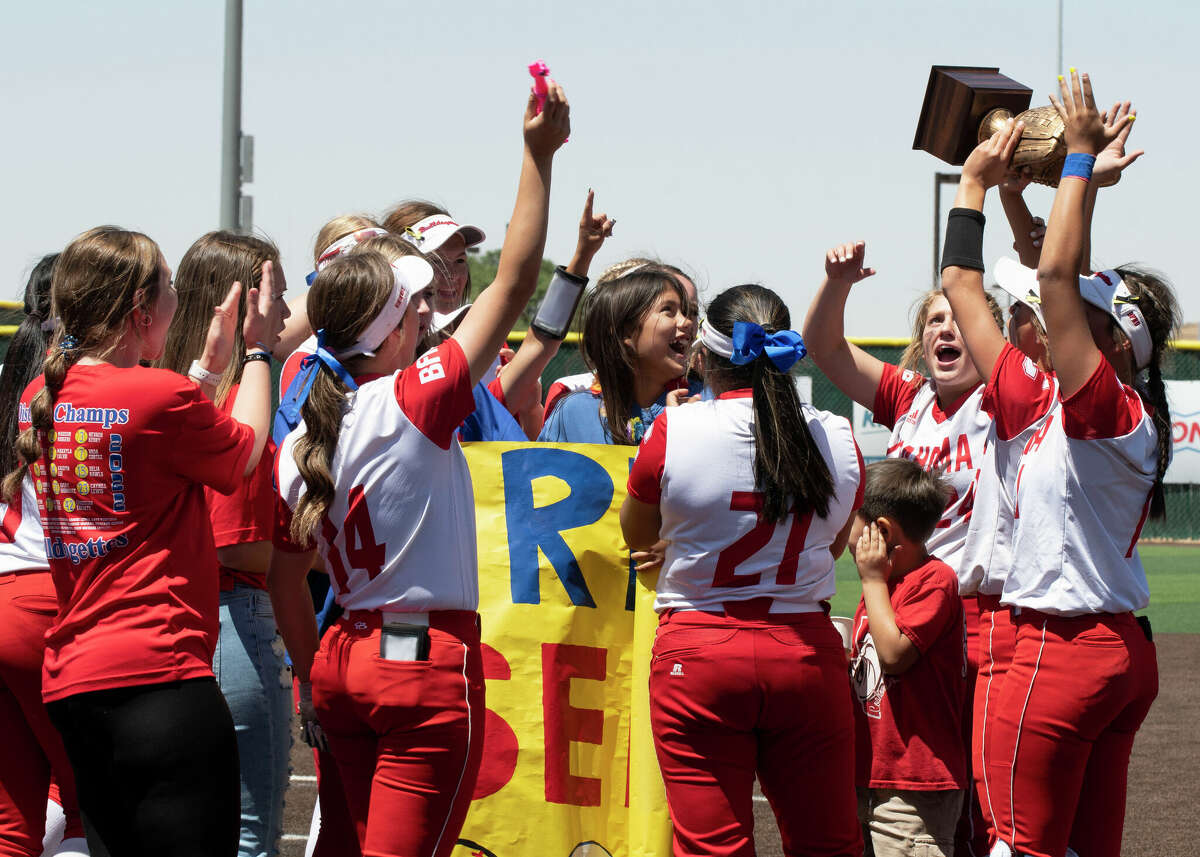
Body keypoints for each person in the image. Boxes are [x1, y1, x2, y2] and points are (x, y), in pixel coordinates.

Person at [267, 82, 570, 857]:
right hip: (421, 663)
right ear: (396, 323)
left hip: (341, 658)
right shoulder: (411, 399)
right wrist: (537, 158)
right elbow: (516, 277)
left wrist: (313, 668)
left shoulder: (305, 421)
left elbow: (285, 573)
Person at [940, 71, 1175, 857]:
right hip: (1115, 651)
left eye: (1086, 315)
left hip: (1057, 646)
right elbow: (1025, 269)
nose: (1053, 314)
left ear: (1108, 348)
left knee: (1017, 847)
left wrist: (1045, 165)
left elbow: (1050, 278)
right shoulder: (1049, 399)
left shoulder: (1097, 403)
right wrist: (1015, 191)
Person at [2, 226, 278, 856]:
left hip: (76, 682)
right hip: (160, 675)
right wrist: (259, 352)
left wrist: (204, 371)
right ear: (141, 311)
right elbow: (243, 455)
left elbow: (144, 437)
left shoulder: (38, 396)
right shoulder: (157, 395)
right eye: (170, 289)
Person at [621, 283, 864, 857]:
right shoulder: (837, 435)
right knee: (829, 843)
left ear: (703, 356)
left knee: (714, 848)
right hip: (804, 649)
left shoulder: (673, 432)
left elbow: (638, 537)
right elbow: (828, 549)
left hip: (699, 651)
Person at [803, 241, 1003, 857]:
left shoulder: (1006, 400)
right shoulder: (909, 397)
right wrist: (837, 284)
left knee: (968, 790)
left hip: (973, 612)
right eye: (933, 321)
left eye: (958, 318)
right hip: (896, 601)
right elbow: (827, 349)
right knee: (894, 763)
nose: (946, 327)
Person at [158, 231, 292, 857]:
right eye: (277, 298)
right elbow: (233, 547)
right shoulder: (237, 401)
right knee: (249, 836)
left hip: (167, 625)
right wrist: (310, 557)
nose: (287, 314)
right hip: (229, 620)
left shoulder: (165, 390)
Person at [0, 254, 88, 857]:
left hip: (4, 590)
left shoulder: (12, 380)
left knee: (13, 820)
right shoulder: (76, 388)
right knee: (93, 801)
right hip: (46, 600)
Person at [848, 458, 966, 857]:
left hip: (915, 790)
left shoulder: (935, 581)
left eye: (854, 521)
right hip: (872, 778)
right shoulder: (886, 583)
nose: (846, 534)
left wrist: (872, 580)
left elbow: (896, 654)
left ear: (881, 531)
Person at [538, 263, 699, 444]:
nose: (686, 322)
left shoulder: (705, 408)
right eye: (668, 310)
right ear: (625, 331)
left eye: (690, 312)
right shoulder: (573, 413)